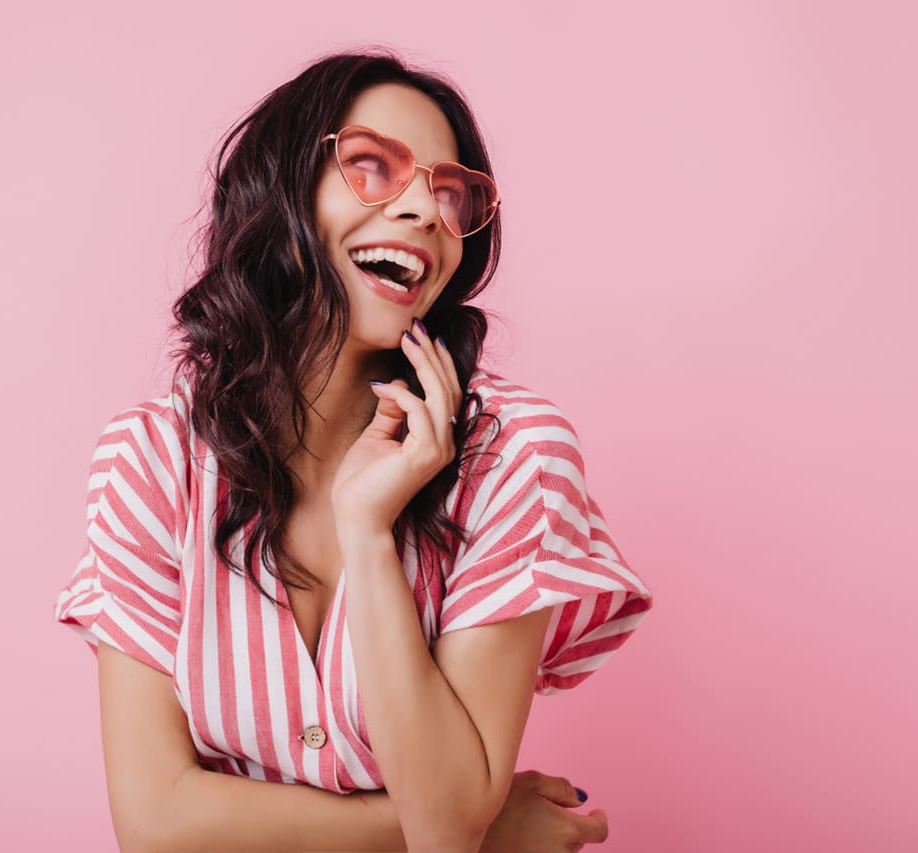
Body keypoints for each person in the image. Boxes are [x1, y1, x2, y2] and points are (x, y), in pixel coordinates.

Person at [53, 48, 654, 853]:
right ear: (282, 191)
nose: (425, 211)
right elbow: (155, 827)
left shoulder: (511, 458)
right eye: (372, 165)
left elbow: (446, 826)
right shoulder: (153, 462)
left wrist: (369, 534)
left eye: (451, 194)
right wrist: (486, 825)